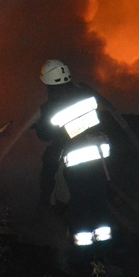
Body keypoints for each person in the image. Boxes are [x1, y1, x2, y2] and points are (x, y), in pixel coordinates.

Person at [34, 59, 113, 248]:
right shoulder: (85, 95)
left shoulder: (52, 105)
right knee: (99, 207)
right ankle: (103, 255)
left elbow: (44, 134)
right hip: (98, 162)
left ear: (48, 82)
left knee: (80, 210)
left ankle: (84, 261)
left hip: (77, 166)